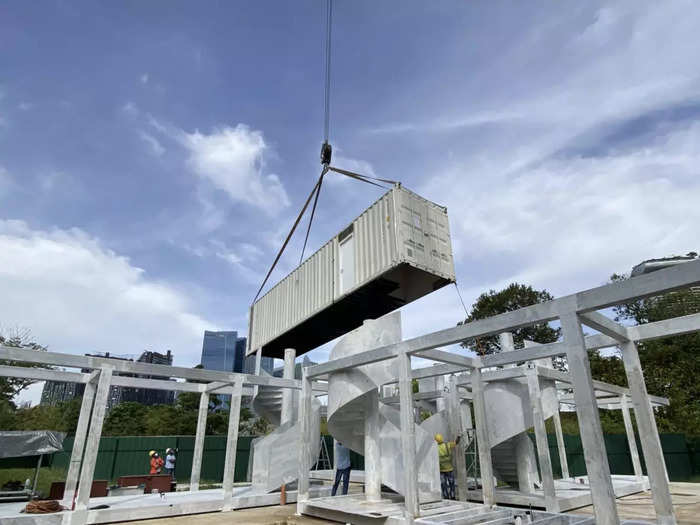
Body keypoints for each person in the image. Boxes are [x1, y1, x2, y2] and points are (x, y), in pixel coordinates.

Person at [435, 433, 460, 500]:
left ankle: (446, 497)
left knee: (443, 484)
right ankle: (452, 496)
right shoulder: (447, 445)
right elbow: (456, 442)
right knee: (451, 483)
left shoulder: (435, 447)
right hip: (449, 469)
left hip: (441, 470)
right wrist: (458, 436)